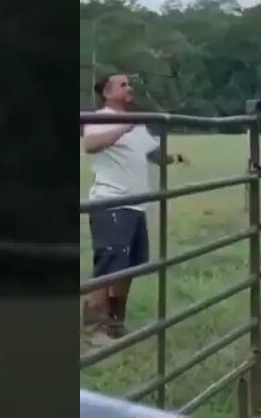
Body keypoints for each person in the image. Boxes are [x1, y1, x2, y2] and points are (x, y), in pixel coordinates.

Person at [82, 73, 186, 347]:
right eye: (123, 84)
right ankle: (94, 328)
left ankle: (115, 323)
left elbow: (152, 154)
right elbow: (90, 145)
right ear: (106, 92)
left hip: (136, 205)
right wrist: (123, 127)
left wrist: (173, 157)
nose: (130, 88)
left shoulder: (136, 124)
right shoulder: (100, 117)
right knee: (108, 266)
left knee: (128, 267)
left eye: (130, 84)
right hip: (111, 202)